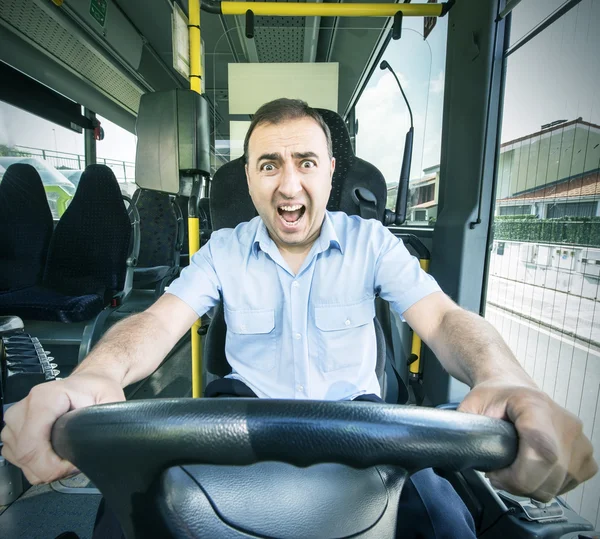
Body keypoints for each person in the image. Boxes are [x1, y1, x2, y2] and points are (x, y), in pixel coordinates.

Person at [1, 99, 597, 538]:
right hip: (238, 420)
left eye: (306, 162)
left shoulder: (372, 244)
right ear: (251, 180)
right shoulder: (225, 250)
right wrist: (95, 376)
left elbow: (442, 320)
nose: (289, 185)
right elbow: (156, 323)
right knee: (125, 516)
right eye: (269, 165)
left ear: (331, 172)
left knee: (449, 521)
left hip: (361, 422)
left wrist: (504, 377)